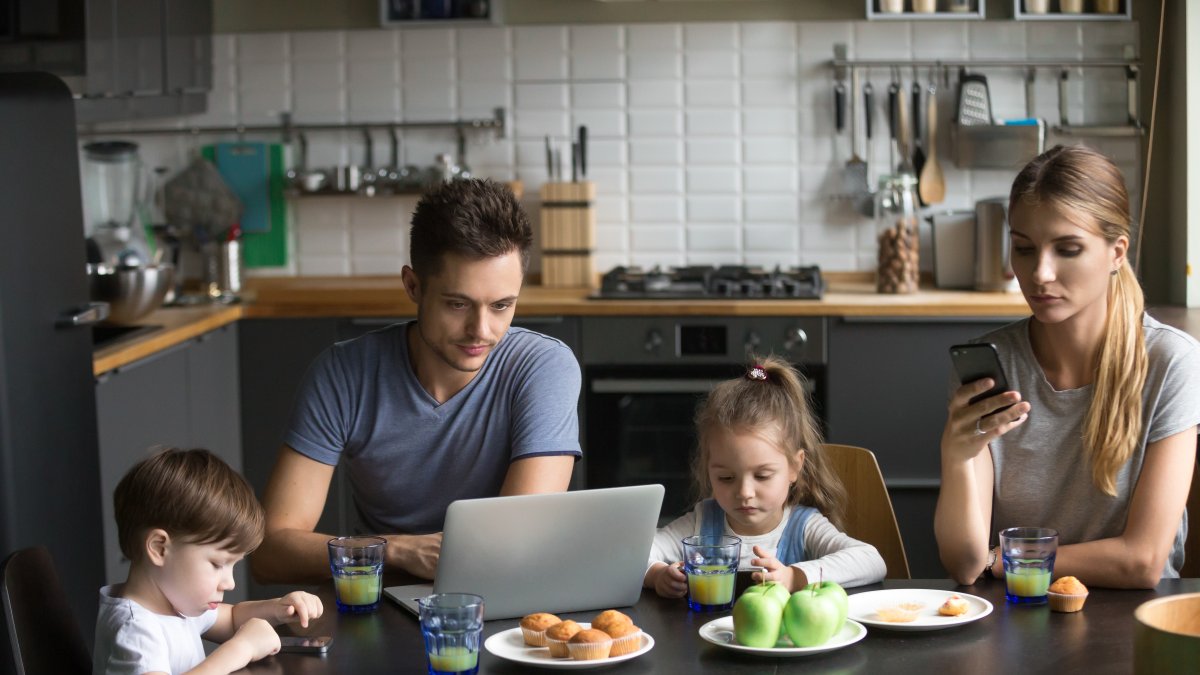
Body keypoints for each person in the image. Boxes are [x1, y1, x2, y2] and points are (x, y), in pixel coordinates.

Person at [251, 178, 581, 584]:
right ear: (412, 285)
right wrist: (401, 551)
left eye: (501, 306)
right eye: (457, 304)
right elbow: (270, 550)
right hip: (383, 592)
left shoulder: (544, 366)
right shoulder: (343, 373)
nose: (481, 330)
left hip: (501, 595)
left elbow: (518, 541)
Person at [934, 145, 1200, 589]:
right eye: (1024, 248)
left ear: (1117, 252)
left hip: (1130, 622)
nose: (1040, 273)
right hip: (1016, 615)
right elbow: (964, 565)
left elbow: (1142, 561)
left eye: (1068, 249)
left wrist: (999, 560)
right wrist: (956, 455)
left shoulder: (1170, 363)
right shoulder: (991, 363)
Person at [644, 355, 887, 596]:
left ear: (795, 467)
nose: (744, 493)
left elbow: (871, 560)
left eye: (762, 476)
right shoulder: (700, 523)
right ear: (708, 469)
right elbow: (635, 554)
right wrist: (656, 574)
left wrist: (795, 577)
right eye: (726, 478)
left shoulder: (804, 527)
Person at [94, 448, 323, 675]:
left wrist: (279, 608)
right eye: (217, 564)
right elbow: (238, 637)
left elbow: (233, 619)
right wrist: (241, 648)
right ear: (159, 548)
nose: (230, 583)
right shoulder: (135, 631)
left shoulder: (174, 603)